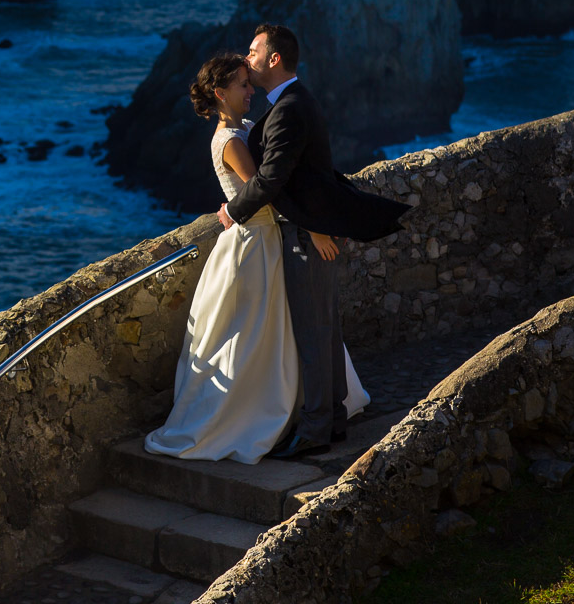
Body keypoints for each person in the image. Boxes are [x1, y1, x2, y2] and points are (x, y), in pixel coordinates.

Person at [144, 52, 370, 464]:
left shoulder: (246, 127)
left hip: (270, 241)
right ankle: (254, 414)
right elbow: (267, 191)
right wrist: (316, 227)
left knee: (280, 331)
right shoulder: (229, 140)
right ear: (220, 93)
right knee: (249, 336)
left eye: (250, 82)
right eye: (242, 85)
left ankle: (303, 412)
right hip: (253, 246)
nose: (251, 91)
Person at [219, 24, 410, 459]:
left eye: (253, 51)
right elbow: (308, 176)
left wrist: (232, 211)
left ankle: (316, 429)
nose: (246, 58)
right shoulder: (294, 100)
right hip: (311, 227)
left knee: (314, 330)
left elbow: (274, 179)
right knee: (325, 328)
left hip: (303, 233)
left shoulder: (288, 107)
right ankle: (335, 420)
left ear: (273, 59)